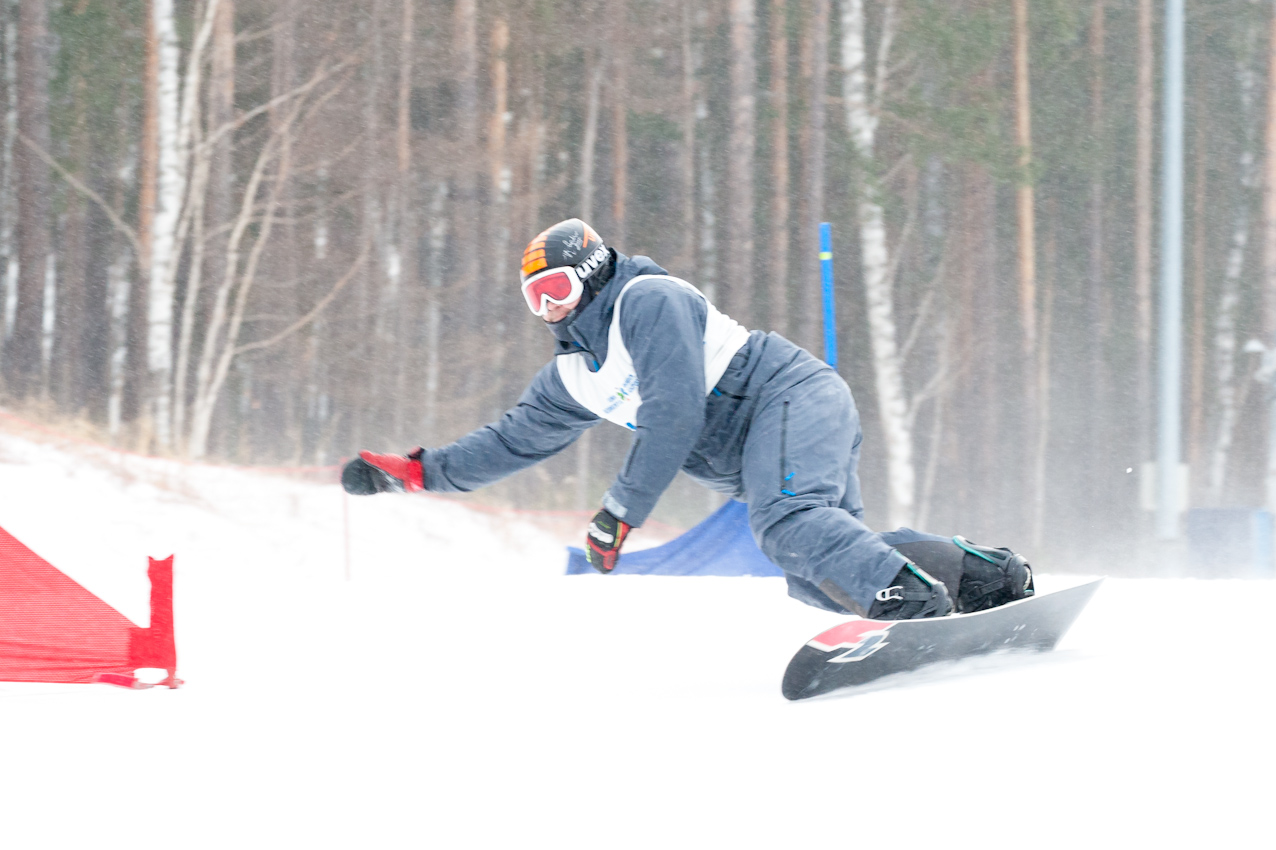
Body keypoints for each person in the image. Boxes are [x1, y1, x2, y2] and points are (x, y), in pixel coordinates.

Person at [341, 218, 1034, 620]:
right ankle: (983, 580)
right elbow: (509, 442)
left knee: (788, 522)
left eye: (555, 289)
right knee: (810, 567)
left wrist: (620, 512)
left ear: (591, 271)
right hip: (764, 446)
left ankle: (908, 605)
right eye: (535, 300)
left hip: (784, 399)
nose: (549, 310)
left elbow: (672, 415)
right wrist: (417, 473)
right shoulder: (574, 376)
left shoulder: (648, 300)